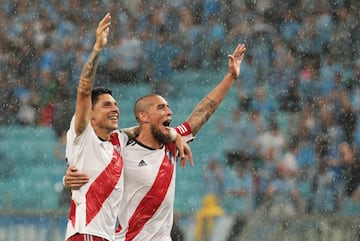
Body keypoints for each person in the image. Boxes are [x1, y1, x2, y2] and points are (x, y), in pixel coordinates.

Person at [65, 40, 247, 240]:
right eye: (161, 108)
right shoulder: (119, 146)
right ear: (143, 116)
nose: (169, 112)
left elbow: (202, 113)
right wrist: (68, 176)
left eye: (168, 107)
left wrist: (230, 77)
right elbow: (88, 159)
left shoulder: (170, 145)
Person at [63, 13, 191, 241]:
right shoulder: (82, 136)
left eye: (115, 104)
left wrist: (173, 134)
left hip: (106, 237)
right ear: (90, 114)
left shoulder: (117, 141)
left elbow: (139, 130)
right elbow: (83, 90)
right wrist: (97, 49)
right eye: (106, 105)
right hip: (86, 235)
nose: (114, 109)